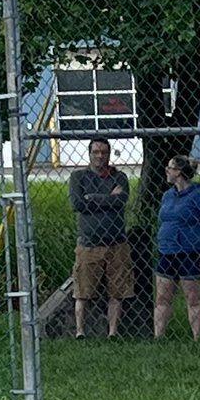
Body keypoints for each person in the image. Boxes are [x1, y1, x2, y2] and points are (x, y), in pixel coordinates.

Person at [68, 136, 134, 338]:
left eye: (103, 152)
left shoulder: (119, 177)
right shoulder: (78, 177)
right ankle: (80, 331)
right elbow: (78, 204)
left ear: (109, 154)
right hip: (89, 243)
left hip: (117, 243)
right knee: (83, 291)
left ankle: (112, 332)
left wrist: (92, 198)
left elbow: (121, 201)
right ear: (89, 154)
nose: (100, 156)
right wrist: (108, 198)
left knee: (117, 291)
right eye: (96, 152)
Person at [154, 155, 200, 340]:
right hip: (167, 250)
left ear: (179, 172)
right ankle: (158, 336)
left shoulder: (198, 196)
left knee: (193, 298)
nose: (166, 171)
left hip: (192, 252)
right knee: (162, 297)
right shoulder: (168, 196)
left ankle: (197, 338)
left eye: (169, 168)